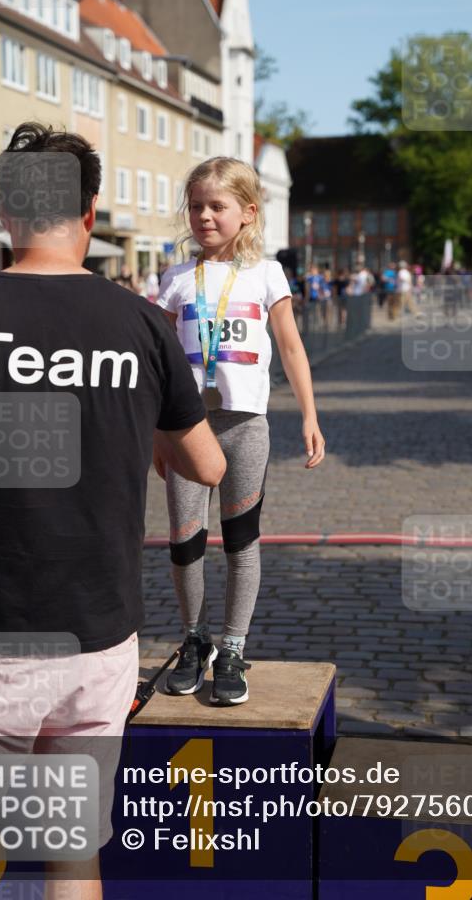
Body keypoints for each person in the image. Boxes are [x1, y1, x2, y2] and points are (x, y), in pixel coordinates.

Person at [0, 122, 225, 900]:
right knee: (69, 855)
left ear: (6, 214)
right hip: (98, 638)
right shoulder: (138, 324)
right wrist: (142, 437)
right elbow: (209, 464)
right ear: (90, 214)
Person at [155, 156, 325, 706]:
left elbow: (292, 346)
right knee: (184, 542)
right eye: (197, 206)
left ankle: (232, 646)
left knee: (240, 542)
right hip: (186, 428)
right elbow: (156, 359)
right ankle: (193, 638)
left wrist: (309, 415)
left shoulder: (267, 273)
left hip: (245, 424)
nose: (204, 216)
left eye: (217, 206)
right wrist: (155, 430)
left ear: (248, 213)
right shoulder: (177, 278)